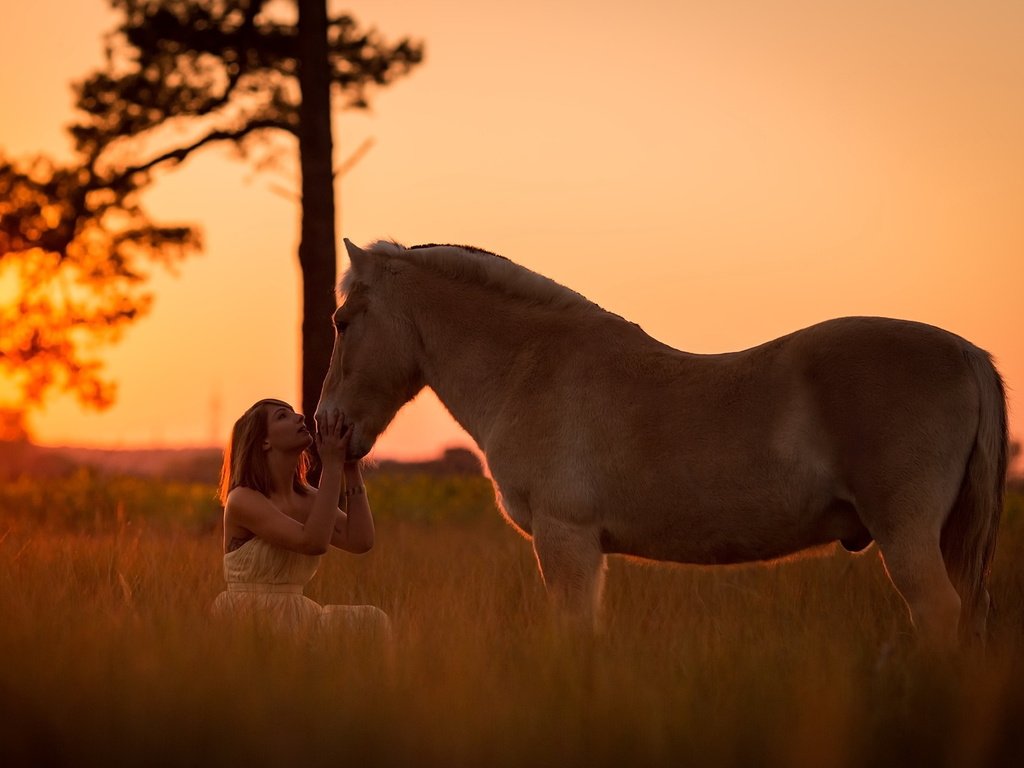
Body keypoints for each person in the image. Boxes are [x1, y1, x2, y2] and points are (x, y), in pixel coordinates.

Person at [211, 398, 390, 639]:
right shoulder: (242, 499)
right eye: (283, 416)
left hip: (298, 615)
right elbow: (312, 542)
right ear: (263, 441)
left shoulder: (307, 498)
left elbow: (360, 540)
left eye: (294, 413)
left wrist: (350, 466)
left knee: (372, 621)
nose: (300, 418)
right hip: (249, 616)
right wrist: (332, 465)